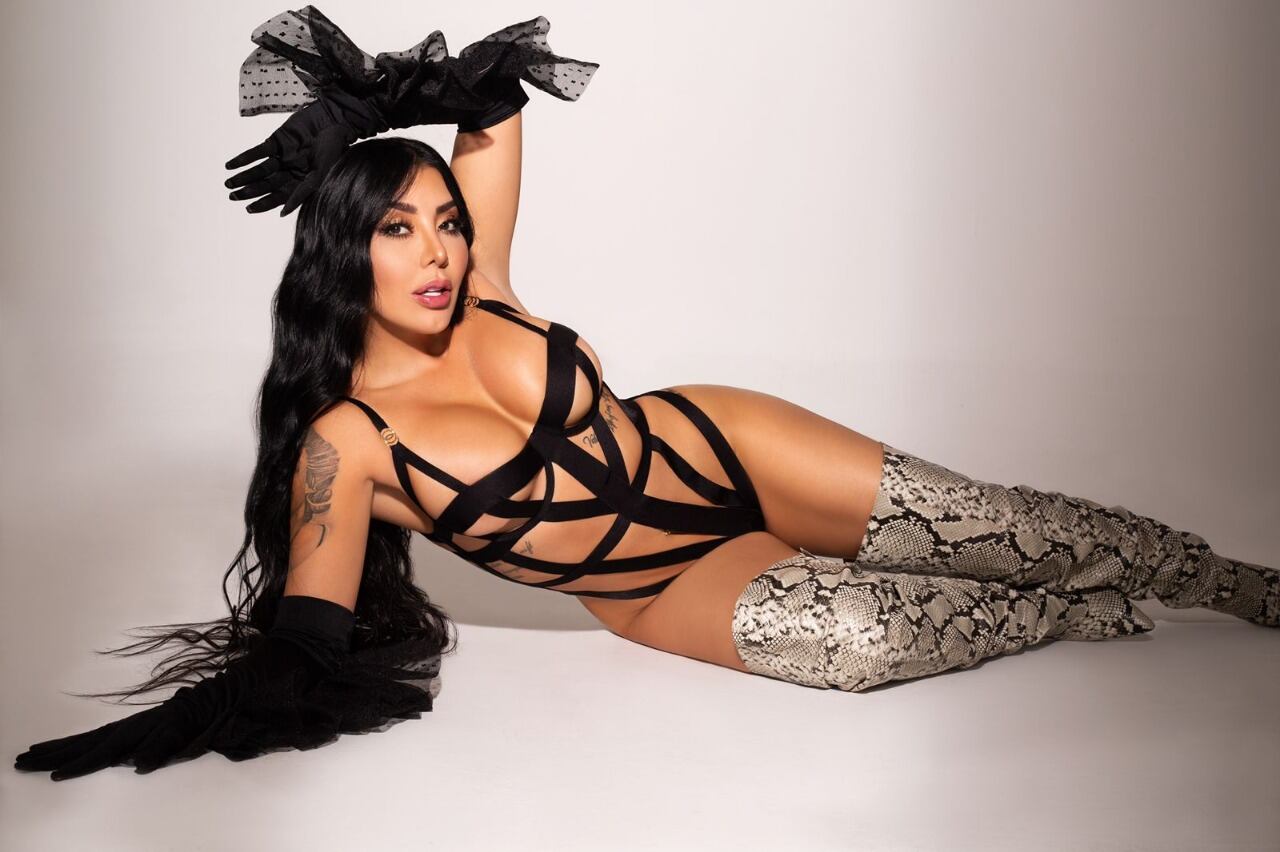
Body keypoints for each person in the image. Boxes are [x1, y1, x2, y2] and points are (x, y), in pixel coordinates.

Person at [14, 6, 1278, 782]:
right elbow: (305, 638)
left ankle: (1226, 582)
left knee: (1000, 523)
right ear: (344, 251)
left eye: (445, 221)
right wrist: (162, 736)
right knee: (866, 645)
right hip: (655, 585)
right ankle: (1072, 614)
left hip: (721, 444)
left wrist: (362, 107)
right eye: (398, 230)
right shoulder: (346, 446)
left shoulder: (485, 285)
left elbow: (492, 92)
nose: (439, 253)